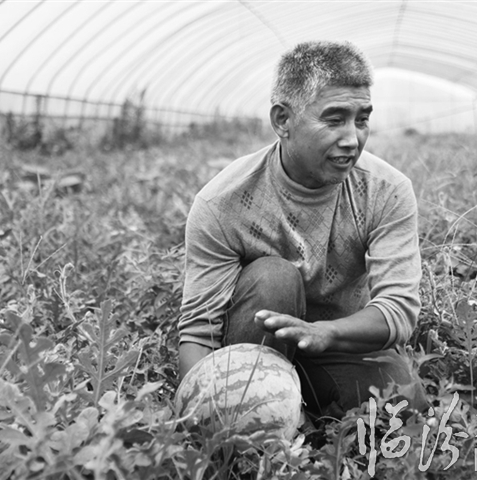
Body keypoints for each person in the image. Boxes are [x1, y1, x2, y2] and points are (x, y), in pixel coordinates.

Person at [177, 40, 427, 420]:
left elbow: (397, 311)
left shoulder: (386, 191)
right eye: (334, 119)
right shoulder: (223, 203)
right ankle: (255, 410)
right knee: (274, 277)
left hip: (338, 343)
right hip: (253, 347)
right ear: (283, 121)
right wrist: (197, 416)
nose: (352, 139)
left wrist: (326, 333)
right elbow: (200, 332)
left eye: (361, 120)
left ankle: (300, 409)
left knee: (403, 400)